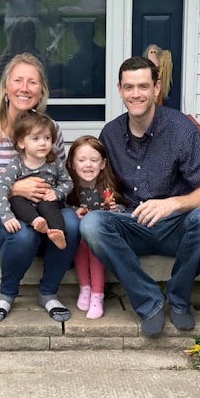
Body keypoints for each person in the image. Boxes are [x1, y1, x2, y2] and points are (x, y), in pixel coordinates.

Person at [79, 56, 200, 337]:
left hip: (176, 225)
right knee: (92, 225)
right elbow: (103, 184)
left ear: (157, 88)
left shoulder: (181, 129)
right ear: (120, 90)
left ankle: (179, 299)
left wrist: (174, 203)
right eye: (129, 87)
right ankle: (149, 303)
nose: (136, 94)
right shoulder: (110, 134)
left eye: (143, 86)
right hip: (132, 224)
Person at [0, 52, 79, 324]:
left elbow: (60, 177)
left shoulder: (51, 130)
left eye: (32, 82)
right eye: (18, 80)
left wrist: (62, 196)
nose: (24, 88)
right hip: (0, 221)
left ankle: (49, 292)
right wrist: (15, 189)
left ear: (41, 90)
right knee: (24, 236)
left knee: (73, 225)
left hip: (46, 212)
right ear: (6, 88)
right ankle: (6, 294)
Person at [0, 110, 74, 250]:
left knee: (48, 205)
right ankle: (37, 222)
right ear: (21, 142)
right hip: (25, 206)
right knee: (16, 201)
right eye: (36, 139)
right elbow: (1, 188)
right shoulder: (17, 164)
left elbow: (68, 182)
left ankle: (58, 234)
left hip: (47, 202)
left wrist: (57, 192)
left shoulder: (54, 162)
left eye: (47, 138)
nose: (43, 143)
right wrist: (6, 216)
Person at [66, 136, 126, 319]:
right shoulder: (69, 187)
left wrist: (116, 209)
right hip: (79, 240)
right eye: (81, 160)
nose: (88, 165)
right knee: (82, 241)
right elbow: (61, 208)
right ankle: (85, 287)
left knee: (92, 242)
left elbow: (124, 208)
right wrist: (75, 211)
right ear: (72, 163)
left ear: (103, 164)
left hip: (100, 240)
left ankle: (97, 294)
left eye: (94, 160)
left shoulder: (107, 187)